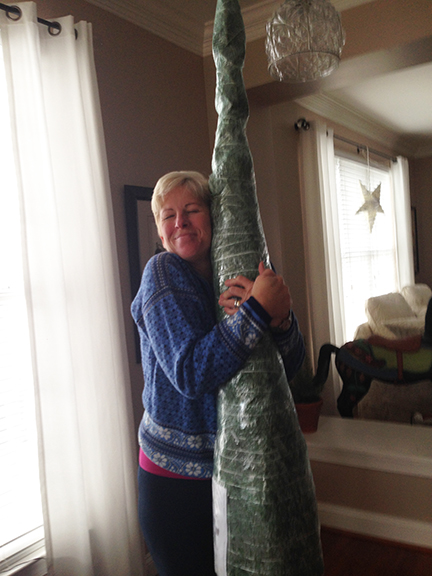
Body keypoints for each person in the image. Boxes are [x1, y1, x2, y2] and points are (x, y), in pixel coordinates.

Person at [131, 170, 305, 576]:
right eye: (168, 216)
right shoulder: (162, 273)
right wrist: (256, 311)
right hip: (176, 479)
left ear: (213, 216)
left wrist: (280, 319)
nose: (180, 223)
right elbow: (190, 373)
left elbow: (290, 368)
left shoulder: (236, 271)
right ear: (159, 231)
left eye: (192, 210)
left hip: (237, 471)